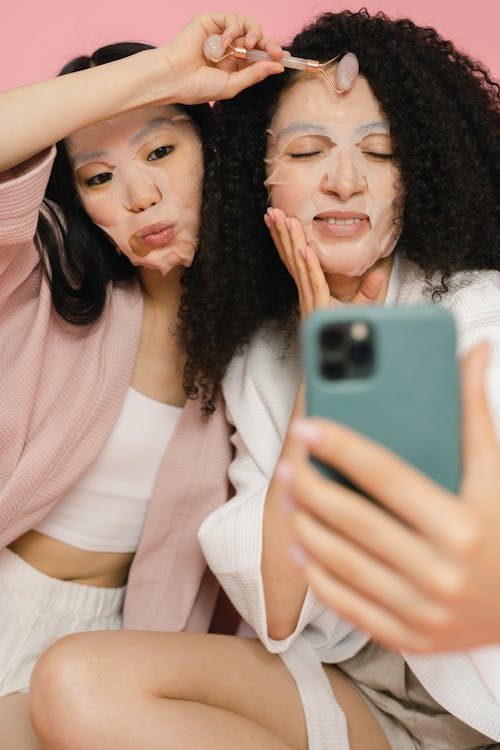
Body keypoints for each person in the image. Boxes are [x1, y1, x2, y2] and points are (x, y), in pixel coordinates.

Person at [29, 8, 500, 750]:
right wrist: (328, 371)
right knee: (74, 682)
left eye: (379, 153)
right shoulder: (259, 352)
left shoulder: (479, 316)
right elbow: (278, 614)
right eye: (308, 150)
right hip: (361, 693)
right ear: (256, 179)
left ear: (422, 177)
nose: (344, 182)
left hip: (480, 694)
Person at [0, 12, 284, 749]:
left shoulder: (271, 340)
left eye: (161, 147)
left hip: (121, 651)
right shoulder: (43, 287)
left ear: (213, 154)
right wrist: (163, 73)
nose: (138, 195)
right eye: (99, 176)